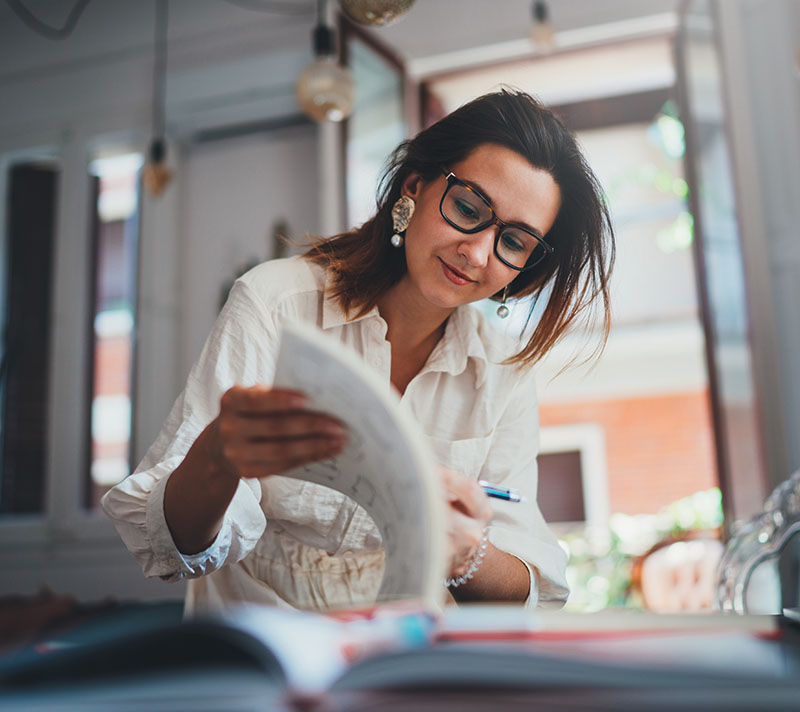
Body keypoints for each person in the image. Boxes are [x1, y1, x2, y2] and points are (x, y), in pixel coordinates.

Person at [102, 89, 614, 615]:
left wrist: (464, 554)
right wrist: (217, 457)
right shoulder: (277, 304)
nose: (478, 252)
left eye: (514, 243)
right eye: (467, 208)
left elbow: (536, 587)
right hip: (261, 661)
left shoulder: (502, 374)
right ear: (414, 185)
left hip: (405, 670)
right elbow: (169, 547)